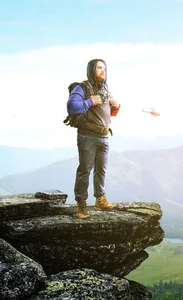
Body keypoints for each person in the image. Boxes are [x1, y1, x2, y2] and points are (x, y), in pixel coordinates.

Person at [67, 58, 120, 219]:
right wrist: (90, 100)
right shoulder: (82, 87)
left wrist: (116, 107)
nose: (102, 71)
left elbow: (104, 115)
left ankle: (100, 200)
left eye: (104, 68)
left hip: (104, 136)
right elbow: (72, 106)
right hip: (87, 136)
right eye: (98, 68)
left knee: (101, 169)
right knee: (85, 170)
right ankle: (81, 205)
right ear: (91, 70)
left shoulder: (105, 89)